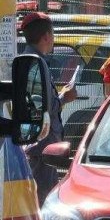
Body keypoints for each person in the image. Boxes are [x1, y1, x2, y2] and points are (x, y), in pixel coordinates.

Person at [19, 12, 77, 204]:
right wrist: (64, 97)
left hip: (36, 142)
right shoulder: (37, 62)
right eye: (52, 35)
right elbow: (43, 106)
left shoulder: (28, 58)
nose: (53, 39)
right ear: (46, 36)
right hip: (43, 145)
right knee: (44, 199)